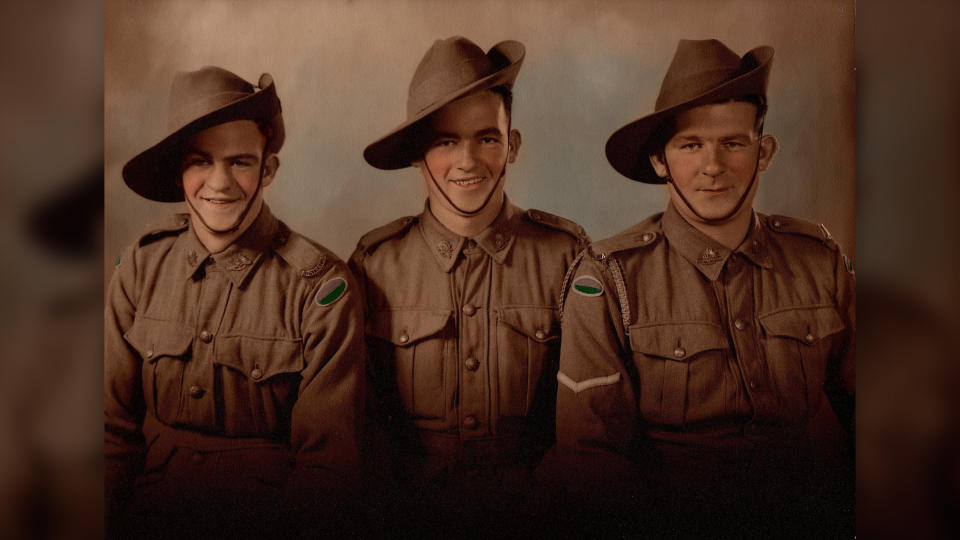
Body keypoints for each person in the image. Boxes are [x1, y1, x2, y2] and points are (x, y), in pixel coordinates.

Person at [543, 39, 855, 537]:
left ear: (765, 151)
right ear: (659, 161)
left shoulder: (819, 262)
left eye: (733, 142)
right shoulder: (608, 277)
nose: (713, 165)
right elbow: (591, 462)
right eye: (691, 145)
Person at [104, 66, 366, 538]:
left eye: (240, 162)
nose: (219, 183)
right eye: (201, 161)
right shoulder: (141, 266)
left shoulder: (319, 287)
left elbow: (327, 469)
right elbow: (109, 435)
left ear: (268, 169)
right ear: (179, 170)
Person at [350, 36, 589, 535]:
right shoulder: (376, 264)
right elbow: (362, 427)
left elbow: (585, 423)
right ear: (419, 154)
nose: (468, 160)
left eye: (487, 137)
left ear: (513, 146)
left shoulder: (566, 254)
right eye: (445, 141)